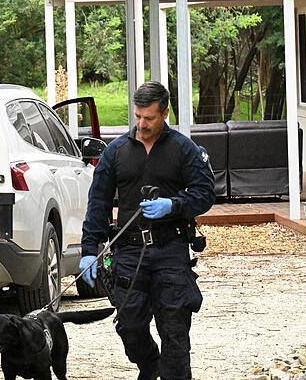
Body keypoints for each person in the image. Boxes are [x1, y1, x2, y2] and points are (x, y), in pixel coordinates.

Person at [78, 81, 215, 380]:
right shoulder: (116, 152)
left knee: (175, 331)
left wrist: (175, 205)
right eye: (137, 115)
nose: (141, 123)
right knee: (130, 326)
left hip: (171, 250)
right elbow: (98, 202)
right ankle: (150, 364)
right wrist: (89, 250)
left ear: (164, 114)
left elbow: (206, 193)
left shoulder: (183, 149)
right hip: (129, 250)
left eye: (149, 117)